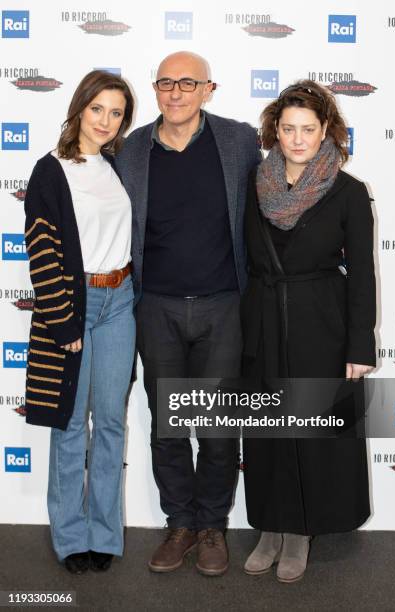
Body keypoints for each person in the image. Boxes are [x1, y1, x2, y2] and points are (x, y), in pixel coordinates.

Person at [116, 51, 261, 576]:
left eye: (187, 83)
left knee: (218, 426)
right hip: (156, 308)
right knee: (169, 426)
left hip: (224, 305)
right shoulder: (131, 150)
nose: (175, 93)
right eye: (165, 83)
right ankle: (179, 523)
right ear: (154, 89)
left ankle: (212, 527)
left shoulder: (239, 141)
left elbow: (283, 177)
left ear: (208, 89)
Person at [241, 80, 376, 582]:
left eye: (308, 130)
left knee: (310, 431)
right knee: (265, 430)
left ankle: (299, 532)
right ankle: (270, 527)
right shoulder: (252, 185)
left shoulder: (348, 192)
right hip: (261, 320)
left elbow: (362, 275)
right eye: (289, 128)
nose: (298, 139)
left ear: (326, 132)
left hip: (321, 323)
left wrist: (360, 344)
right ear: (275, 129)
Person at [24, 70, 135, 574]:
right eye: (98, 109)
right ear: (80, 108)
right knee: (70, 424)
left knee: (110, 423)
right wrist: (62, 323)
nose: (106, 121)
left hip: (121, 301)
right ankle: (71, 538)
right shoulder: (51, 171)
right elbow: (41, 249)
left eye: (116, 113)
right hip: (75, 305)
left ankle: (104, 536)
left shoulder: (120, 167)